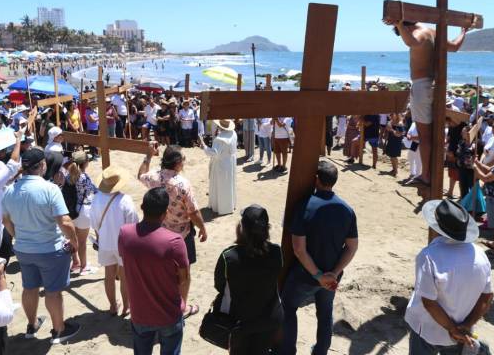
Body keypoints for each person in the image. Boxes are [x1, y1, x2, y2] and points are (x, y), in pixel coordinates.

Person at [1, 147, 81, 344]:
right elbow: (65, 222)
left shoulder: (9, 191)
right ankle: (59, 329)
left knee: (29, 287)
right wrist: (74, 242)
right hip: (49, 248)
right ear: (43, 165)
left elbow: (6, 221)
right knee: (53, 291)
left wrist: (18, 236)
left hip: (24, 249)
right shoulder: (50, 189)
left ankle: (32, 324)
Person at [279, 160, 358, 355]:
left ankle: (288, 351)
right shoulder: (347, 209)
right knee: (325, 313)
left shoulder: (305, 206)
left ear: (316, 179)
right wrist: (333, 274)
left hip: (305, 275)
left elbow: (299, 249)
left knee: (288, 307)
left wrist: (318, 275)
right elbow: (352, 247)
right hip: (332, 276)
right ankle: (321, 351)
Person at [385, 17, 470, 190]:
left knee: (424, 136)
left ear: (406, 27)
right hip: (437, 85)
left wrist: (398, 24)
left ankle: (426, 175)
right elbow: (454, 46)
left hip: (422, 86)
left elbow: (412, 41)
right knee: (435, 133)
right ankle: (432, 171)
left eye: (402, 30)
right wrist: (463, 31)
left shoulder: (418, 33)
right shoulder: (434, 32)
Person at [404, 199, 493, 354]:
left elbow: (429, 302)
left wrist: (452, 329)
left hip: (427, 329)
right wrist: (466, 325)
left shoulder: (429, 256)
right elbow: (487, 297)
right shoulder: (480, 255)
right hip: (462, 331)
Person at [138, 143, 207, 318]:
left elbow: (140, 175)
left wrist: (148, 156)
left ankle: (164, 302)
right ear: (177, 163)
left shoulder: (154, 177)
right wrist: (202, 227)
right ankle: (181, 307)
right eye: (183, 159)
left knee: (165, 271)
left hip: (159, 232)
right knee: (184, 273)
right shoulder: (183, 184)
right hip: (181, 234)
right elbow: (193, 212)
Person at [119, 187, 189, 355]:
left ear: (142, 207)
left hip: (140, 313)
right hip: (169, 314)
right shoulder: (175, 241)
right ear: (165, 213)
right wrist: (183, 303)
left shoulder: (125, 234)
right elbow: (184, 278)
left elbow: (125, 262)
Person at [214, 205, 282, 355]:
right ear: (267, 229)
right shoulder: (277, 252)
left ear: (242, 228)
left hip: (238, 321)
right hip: (268, 319)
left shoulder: (228, 257)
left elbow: (219, 285)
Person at [89, 165, 139, 316]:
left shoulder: (96, 199)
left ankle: (112, 306)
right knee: (124, 277)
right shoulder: (125, 200)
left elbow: (94, 224)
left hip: (105, 242)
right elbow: (133, 224)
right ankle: (126, 306)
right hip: (123, 244)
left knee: (109, 276)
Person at [65, 150, 97, 276]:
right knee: (82, 241)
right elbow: (94, 190)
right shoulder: (84, 177)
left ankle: (75, 263)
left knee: (73, 238)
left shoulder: (69, 175)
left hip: (72, 211)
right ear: (85, 163)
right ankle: (84, 267)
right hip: (84, 211)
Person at [199, 119, 237, 216]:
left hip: (220, 164)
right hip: (230, 162)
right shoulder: (233, 133)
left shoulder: (220, 139)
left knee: (220, 185)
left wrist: (204, 146)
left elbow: (214, 153)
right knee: (228, 184)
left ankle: (221, 207)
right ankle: (229, 205)